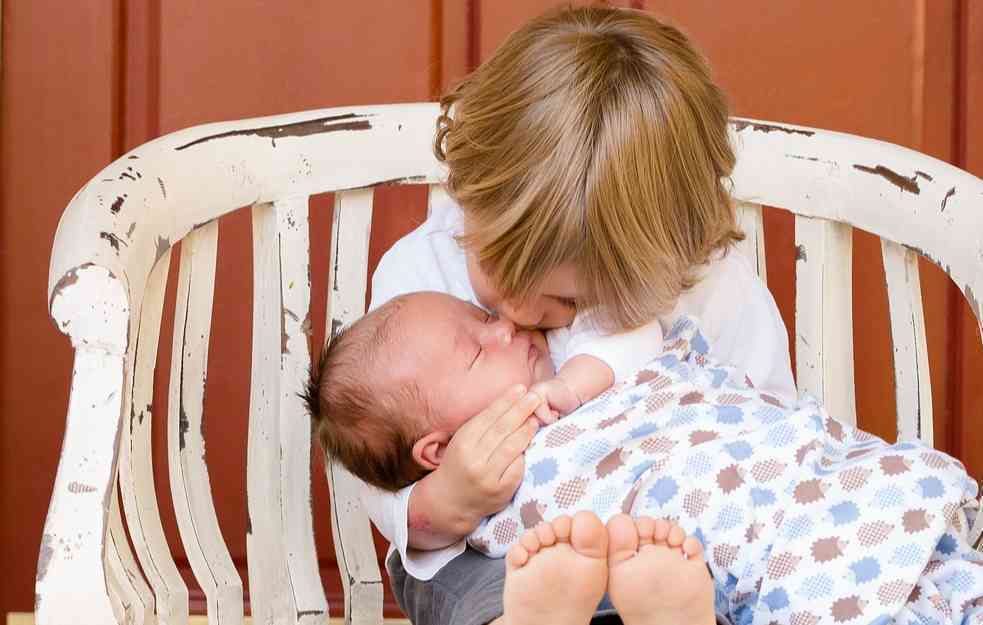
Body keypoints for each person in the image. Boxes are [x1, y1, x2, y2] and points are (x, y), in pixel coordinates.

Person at [336, 6, 797, 625]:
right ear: (468, 196)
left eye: (572, 303)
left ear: (671, 254)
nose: (520, 316)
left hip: (679, 542)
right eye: (500, 276)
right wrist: (443, 501)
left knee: (728, 580)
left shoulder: (715, 290)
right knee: (453, 577)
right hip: (508, 553)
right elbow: (382, 458)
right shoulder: (418, 277)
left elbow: (771, 436)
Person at [306, 298, 983, 625]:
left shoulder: (575, 358)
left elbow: (643, 339)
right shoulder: (507, 466)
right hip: (716, 539)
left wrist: (571, 386)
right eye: (480, 349)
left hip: (808, 482)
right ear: (437, 446)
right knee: (535, 564)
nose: (506, 326)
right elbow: (429, 536)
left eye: (483, 317)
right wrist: (452, 497)